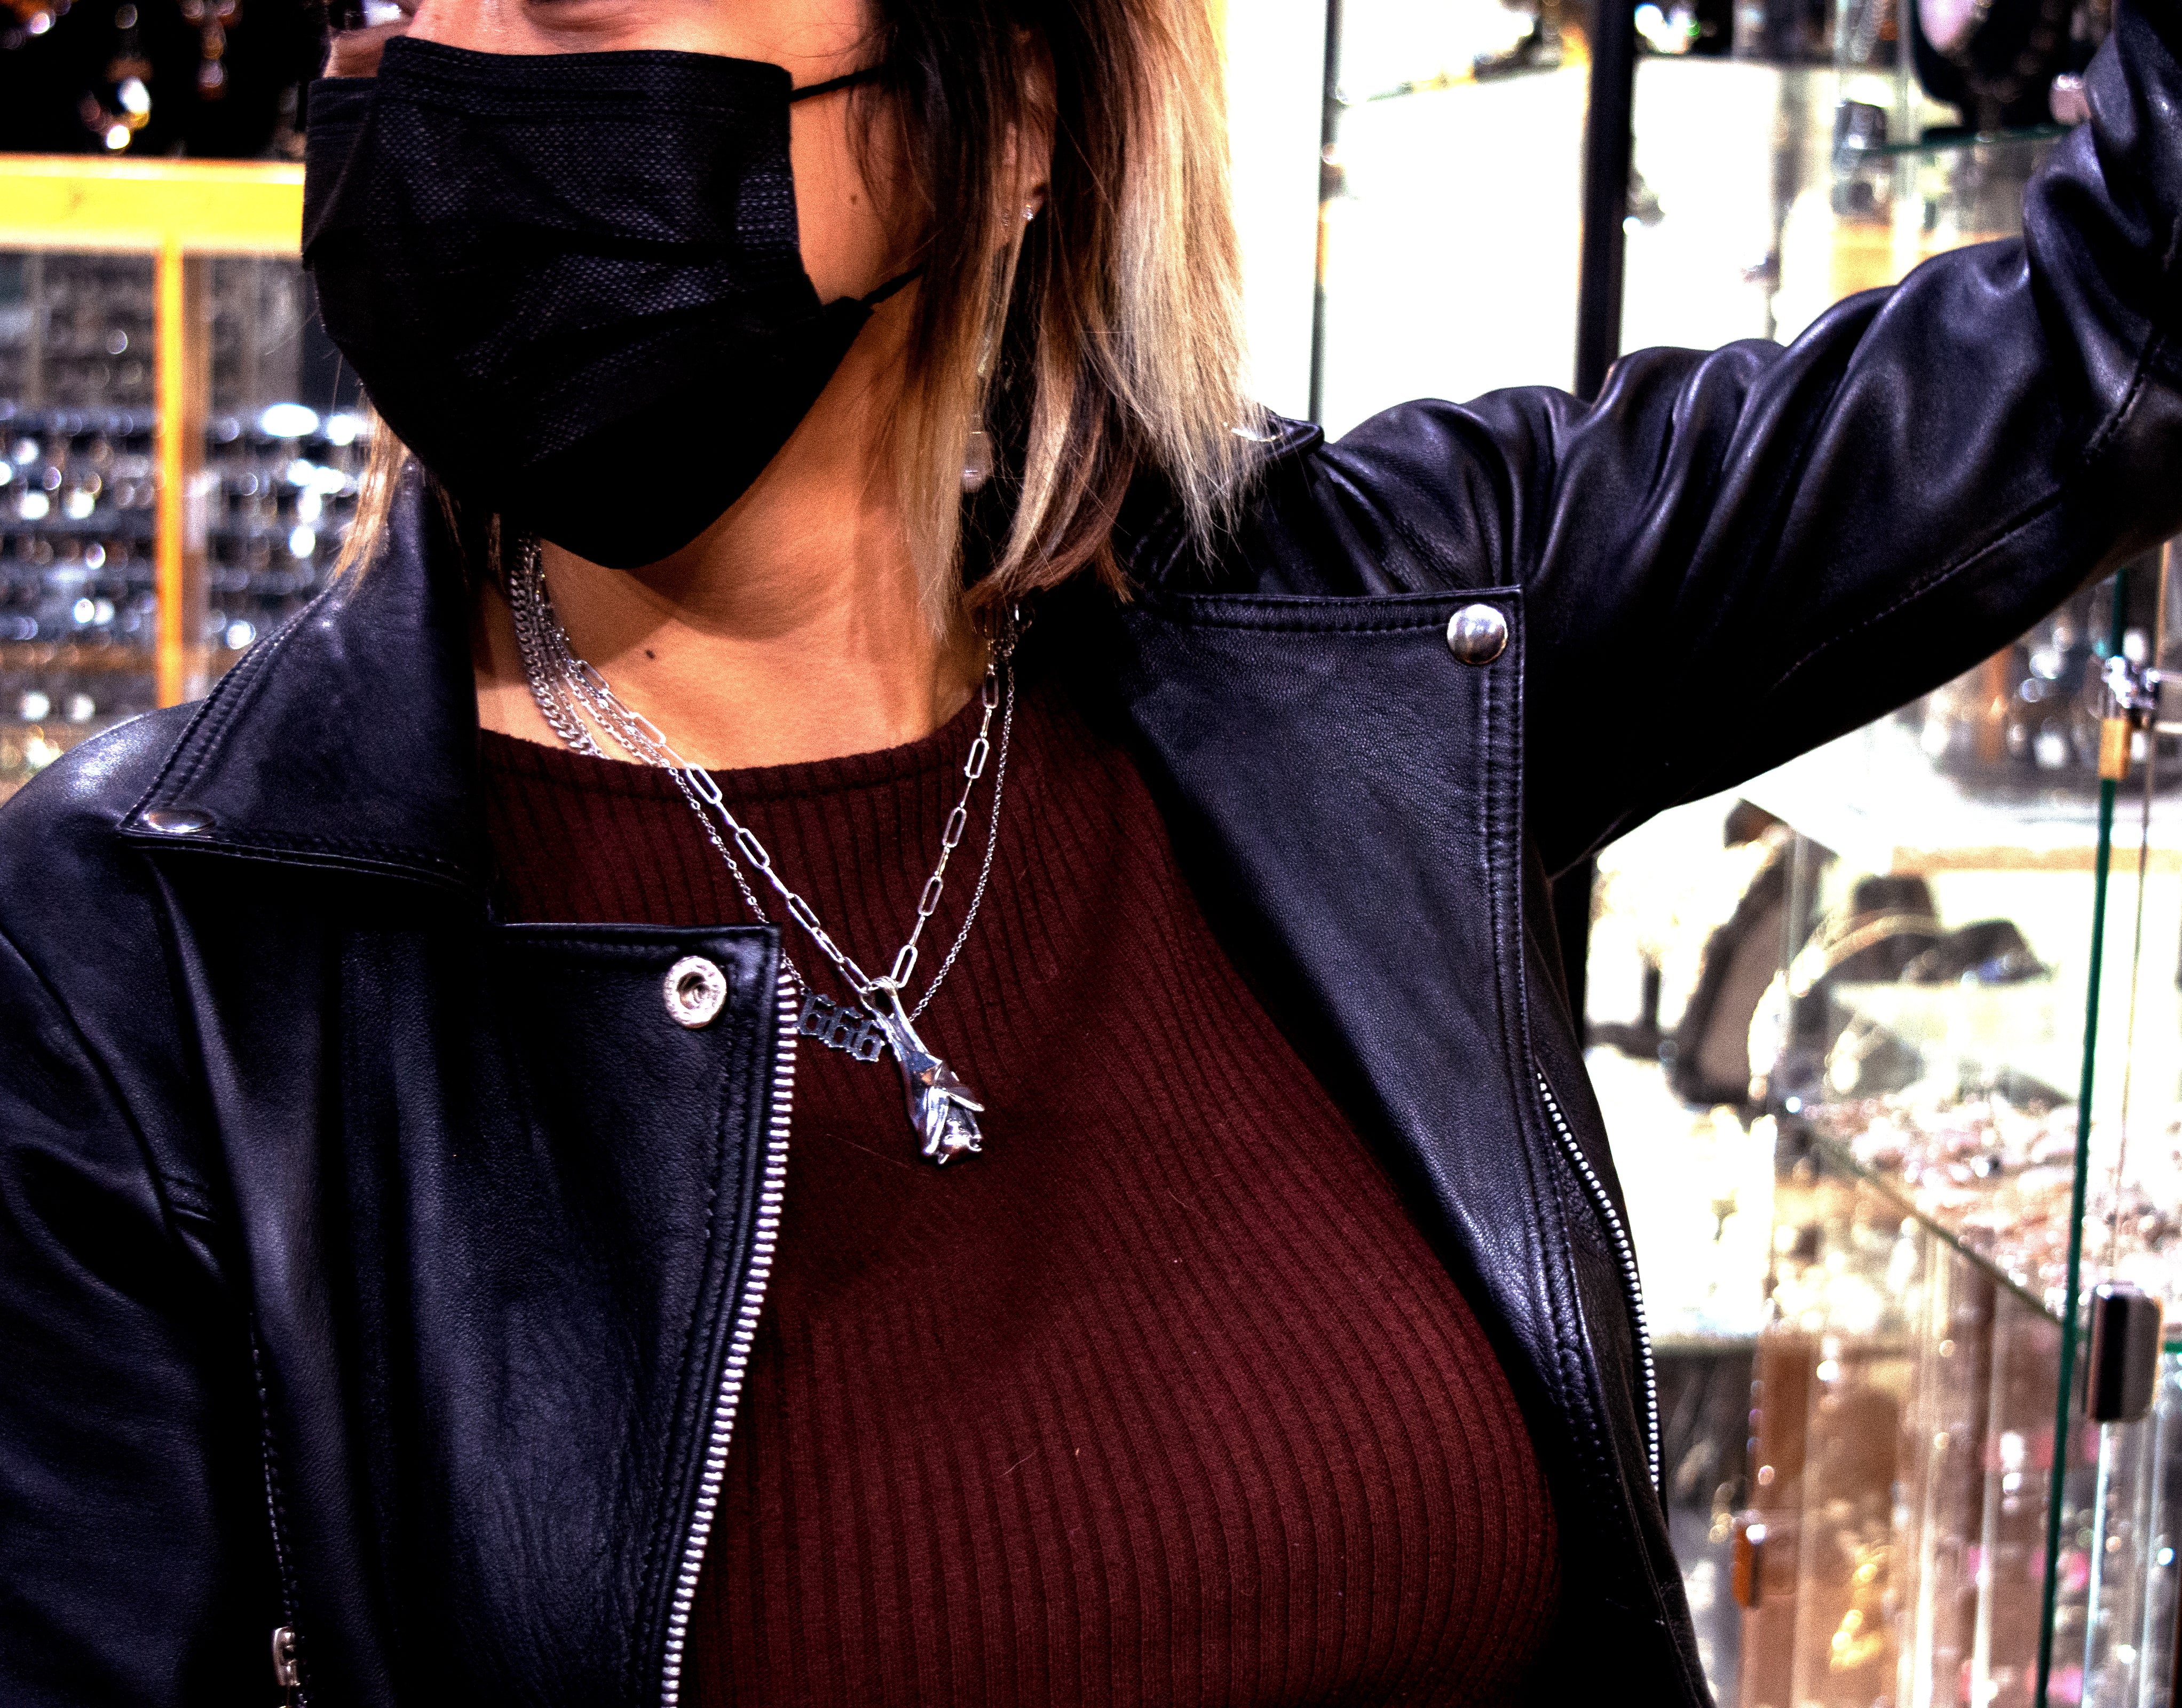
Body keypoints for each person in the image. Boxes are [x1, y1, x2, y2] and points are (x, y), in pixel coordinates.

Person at [2, 0, 2177, 1698]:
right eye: (398, 4)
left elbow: (2111, 328)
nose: (444, 78)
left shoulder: (1370, 633)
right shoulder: (152, 962)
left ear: (1006, 107)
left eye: (573, 4)